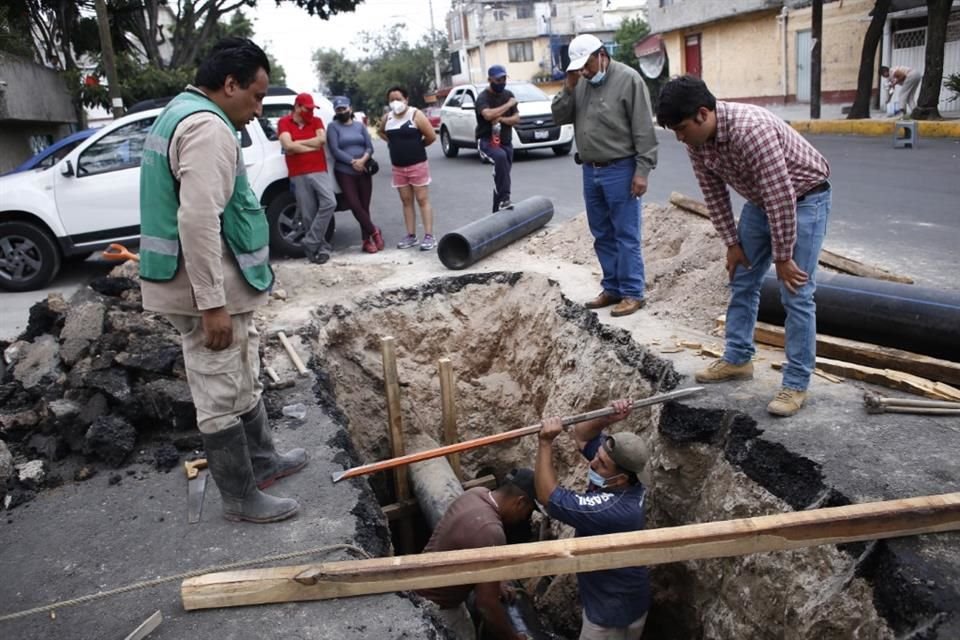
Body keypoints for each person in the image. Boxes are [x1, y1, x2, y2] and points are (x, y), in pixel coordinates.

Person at [139, 37, 307, 524]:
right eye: (255, 96)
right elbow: (197, 220)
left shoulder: (183, 110)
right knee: (217, 388)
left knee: (240, 370)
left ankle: (262, 461)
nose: (258, 109)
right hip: (202, 291)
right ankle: (239, 496)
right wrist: (211, 303)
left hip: (216, 285)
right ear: (228, 84)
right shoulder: (207, 128)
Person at [656, 75, 831, 417]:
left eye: (681, 128)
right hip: (760, 203)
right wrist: (732, 243)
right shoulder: (697, 142)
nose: (679, 137)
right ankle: (738, 359)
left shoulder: (752, 131)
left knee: (796, 292)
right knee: (742, 278)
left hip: (804, 198)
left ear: (703, 114)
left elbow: (781, 197)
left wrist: (782, 257)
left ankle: (795, 383)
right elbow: (714, 194)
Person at [551, 33, 658, 318]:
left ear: (602, 55)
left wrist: (642, 171)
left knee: (626, 234)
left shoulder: (629, 80)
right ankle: (612, 287)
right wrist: (569, 86)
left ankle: (633, 292)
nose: (584, 72)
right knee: (601, 233)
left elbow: (644, 131)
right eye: (579, 68)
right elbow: (559, 116)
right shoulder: (579, 84)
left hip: (621, 169)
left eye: (587, 65)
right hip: (590, 170)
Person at [535, 399, 651, 639]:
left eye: (602, 464)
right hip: (625, 597)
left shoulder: (614, 510)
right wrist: (606, 417)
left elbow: (548, 496)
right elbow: (582, 437)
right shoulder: (623, 478)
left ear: (620, 479)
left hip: (611, 615)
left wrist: (545, 443)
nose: (593, 463)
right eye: (597, 456)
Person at [416, 470, 537, 640]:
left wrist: (496, 583)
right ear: (520, 502)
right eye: (528, 511)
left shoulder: (476, 494)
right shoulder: (491, 531)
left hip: (418, 591)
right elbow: (486, 604)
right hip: (438, 609)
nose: (525, 517)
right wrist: (513, 638)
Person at [277, 92, 336, 265]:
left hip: (318, 169)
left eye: (312, 109)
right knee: (308, 213)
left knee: (329, 202)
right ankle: (319, 249)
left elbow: (321, 141)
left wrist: (297, 145)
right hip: (298, 172)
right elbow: (287, 145)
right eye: (307, 109)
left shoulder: (316, 121)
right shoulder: (284, 122)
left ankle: (310, 241)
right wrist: (310, 145)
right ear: (297, 107)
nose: (310, 112)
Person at [378, 86, 438, 251]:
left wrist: (417, 146)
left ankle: (429, 236)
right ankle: (411, 235)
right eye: (391, 99)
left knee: (422, 199)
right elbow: (381, 132)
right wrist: (393, 143)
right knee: (406, 201)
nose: (395, 102)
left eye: (398, 98)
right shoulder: (387, 118)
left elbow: (431, 136)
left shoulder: (415, 115)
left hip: (417, 164)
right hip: (398, 167)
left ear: (406, 99)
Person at [327, 95, 383, 253]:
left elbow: (369, 146)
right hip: (344, 171)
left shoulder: (359, 126)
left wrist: (363, 160)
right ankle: (374, 231)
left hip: (364, 170)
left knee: (365, 206)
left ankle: (366, 241)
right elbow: (335, 150)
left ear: (350, 108)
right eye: (338, 109)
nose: (341, 111)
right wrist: (353, 162)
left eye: (344, 108)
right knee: (354, 204)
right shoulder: (333, 127)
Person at [476, 64, 521, 212]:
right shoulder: (483, 97)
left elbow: (516, 118)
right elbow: (487, 115)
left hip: (506, 142)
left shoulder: (508, 94)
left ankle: (496, 210)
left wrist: (501, 119)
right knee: (500, 159)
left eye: (503, 79)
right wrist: (508, 105)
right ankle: (504, 199)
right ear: (490, 80)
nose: (501, 83)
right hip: (487, 142)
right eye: (498, 80)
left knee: (502, 175)